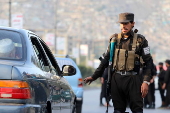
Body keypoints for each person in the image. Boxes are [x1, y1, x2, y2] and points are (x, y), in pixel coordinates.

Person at [84, 12, 153, 113]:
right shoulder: (114, 40)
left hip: (133, 80)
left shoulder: (141, 40)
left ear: (133, 23)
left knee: (137, 110)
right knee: (118, 110)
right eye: (121, 23)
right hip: (117, 80)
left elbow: (149, 62)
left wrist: (145, 82)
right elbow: (105, 60)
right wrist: (94, 76)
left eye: (126, 23)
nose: (124, 26)